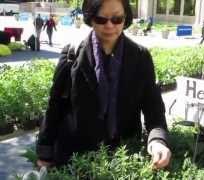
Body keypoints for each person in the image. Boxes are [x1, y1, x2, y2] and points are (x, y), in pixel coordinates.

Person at [36, 0, 171, 170]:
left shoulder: (140, 57)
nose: (109, 25)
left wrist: (158, 141)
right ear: (91, 18)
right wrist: (45, 153)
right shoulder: (72, 54)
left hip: (123, 158)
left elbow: (154, 108)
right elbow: (55, 105)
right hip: (76, 159)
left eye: (116, 19)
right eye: (101, 19)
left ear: (126, 18)